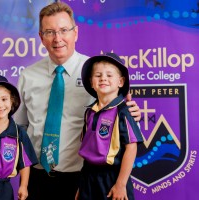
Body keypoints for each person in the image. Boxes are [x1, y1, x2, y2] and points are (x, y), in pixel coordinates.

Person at [13, 2, 141, 200]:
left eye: (64, 30)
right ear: (41, 37)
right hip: (37, 177)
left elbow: (116, 116)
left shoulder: (96, 75)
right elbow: (20, 126)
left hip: (82, 178)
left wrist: (131, 110)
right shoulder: (27, 76)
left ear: (76, 33)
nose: (58, 38)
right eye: (49, 32)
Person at [75, 52, 144, 200]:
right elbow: (88, 149)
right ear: (91, 82)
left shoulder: (124, 111)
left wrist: (120, 184)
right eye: (98, 75)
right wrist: (82, 186)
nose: (103, 78)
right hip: (88, 176)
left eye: (109, 75)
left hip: (112, 177)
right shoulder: (89, 112)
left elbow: (131, 148)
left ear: (121, 81)